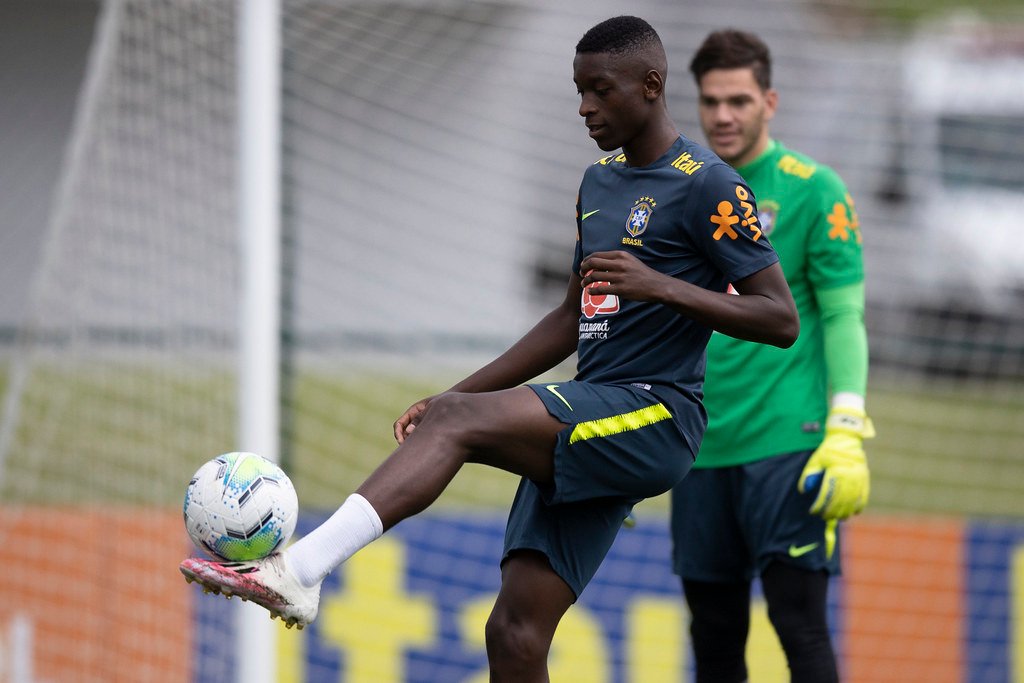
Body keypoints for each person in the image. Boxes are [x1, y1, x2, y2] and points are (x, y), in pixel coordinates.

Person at [181, 16, 798, 680]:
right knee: (513, 632)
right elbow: (567, 320)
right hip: (591, 415)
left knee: (459, 433)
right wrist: (459, 396)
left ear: (651, 85)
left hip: (657, 415)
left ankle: (300, 569)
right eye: (578, 91)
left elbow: (778, 317)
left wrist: (661, 285)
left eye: (601, 90)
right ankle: (301, 570)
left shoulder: (708, 185)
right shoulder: (599, 184)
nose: (586, 107)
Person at [669, 29, 872, 683]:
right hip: (699, 447)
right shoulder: (685, 190)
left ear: (770, 101)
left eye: (738, 100)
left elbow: (843, 316)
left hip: (789, 442)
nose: (723, 115)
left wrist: (845, 425)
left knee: (799, 625)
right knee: (715, 639)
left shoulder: (816, 190)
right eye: (710, 101)